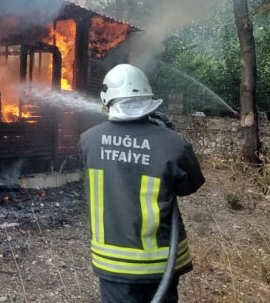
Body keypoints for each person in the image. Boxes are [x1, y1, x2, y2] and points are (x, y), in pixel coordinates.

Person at [79, 64, 205, 303]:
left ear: (107, 98)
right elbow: (190, 186)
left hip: (112, 263)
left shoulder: (88, 140)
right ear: (148, 96)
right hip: (160, 264)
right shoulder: (173, 143)